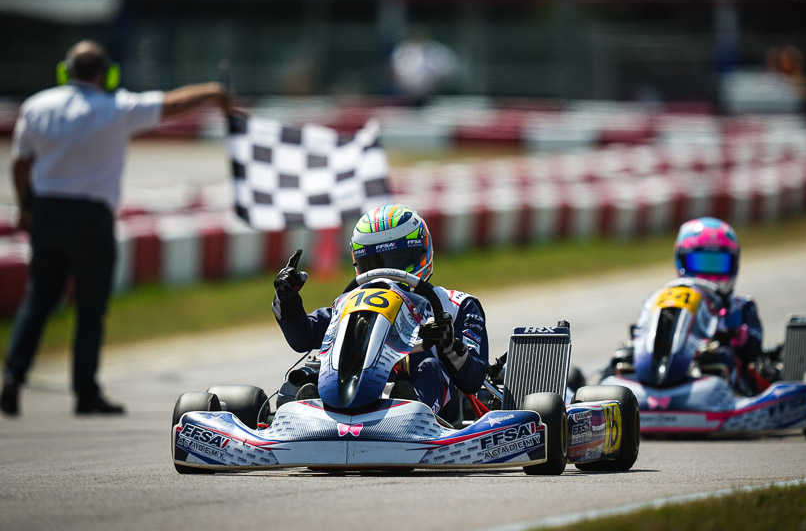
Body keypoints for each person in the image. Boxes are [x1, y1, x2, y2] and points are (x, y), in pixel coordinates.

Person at [1, 40, 235, 417]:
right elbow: (173, 103)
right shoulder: (116, 107)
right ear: (106, 73)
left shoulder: (36, 106)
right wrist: (213, 91)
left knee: (39, 298)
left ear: (65, 71)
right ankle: (85, 392)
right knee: (90, 307)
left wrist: (26, 205)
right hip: (92, 219)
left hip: (46, 212)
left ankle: (13, 375)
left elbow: (19, 162)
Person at [272, 204, 489, 419]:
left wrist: (448, 346)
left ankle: (410, 409)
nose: (387, 270)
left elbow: (474, 379)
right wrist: (288, 301)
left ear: (422, 252)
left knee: (430, 367)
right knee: (317, 370)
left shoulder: (456, 306)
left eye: (398, 260)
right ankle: (313, 412)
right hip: (355, 399)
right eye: (373, 263)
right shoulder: (352, 305)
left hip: (433, 416)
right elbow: (303, 338)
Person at [669, 216, 764, 394]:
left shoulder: (741, 307)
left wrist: (736, 332)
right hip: (676, 362)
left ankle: (730, 400)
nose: (708, 274)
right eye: (700, 262)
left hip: (727, 378)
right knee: (622, 358)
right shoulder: (671, 304)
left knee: (721, 356)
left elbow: (754, 349)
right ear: (681, 260)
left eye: (717, 264)